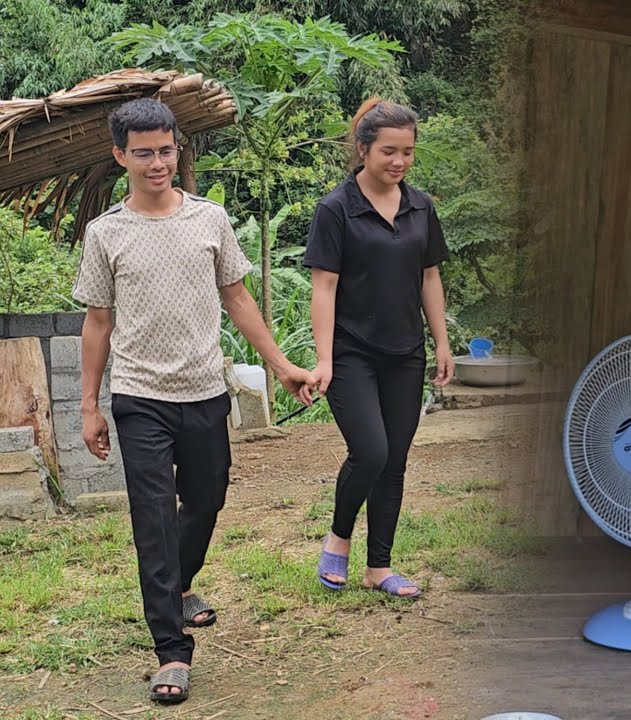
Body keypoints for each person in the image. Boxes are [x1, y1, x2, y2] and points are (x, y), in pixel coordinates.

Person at [74, 98, 316, 704]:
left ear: (176, 147)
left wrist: (280, 364)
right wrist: (88, 405)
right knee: (153, 520)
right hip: (139, 396)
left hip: (206, 390)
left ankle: (178, 585)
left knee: (206, 498)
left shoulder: (210, 220)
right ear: (119, 156)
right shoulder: (106, 233)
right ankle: (171, 652)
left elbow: (237, 299)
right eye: (143, 153)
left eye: (165, 150)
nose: (157, 163)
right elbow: (97, 323)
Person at [305, 97, 454, 600]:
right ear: (364, 149)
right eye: (389, 151)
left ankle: (380, 567)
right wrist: (324, 359)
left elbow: (429, 276)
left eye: (408, 152)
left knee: (395, 460)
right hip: (351, 352)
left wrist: (442, 342)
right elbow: (323, 286)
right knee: (370, 451)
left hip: (405, 352)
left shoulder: (421, 207)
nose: (399, 162)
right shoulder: (336, 208)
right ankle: (338, 539)